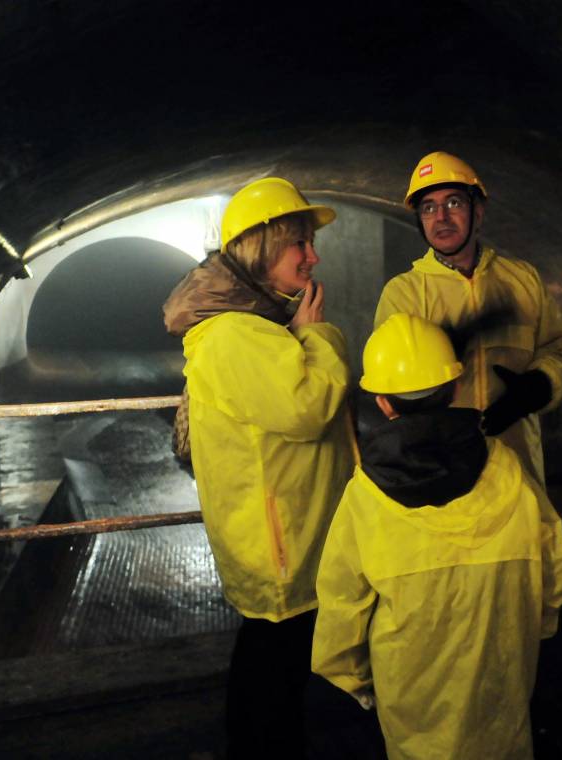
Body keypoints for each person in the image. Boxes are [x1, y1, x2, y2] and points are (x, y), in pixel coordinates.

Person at [312, 312, 562, 760]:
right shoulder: (509, 470)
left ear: (382, 403)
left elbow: (342, 609)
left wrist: (353, 679)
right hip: (503, 687)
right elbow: (557, 578)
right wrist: (536, 632)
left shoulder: (366, 495)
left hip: (411, 701)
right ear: (455, 388)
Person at [162, 177, 355, 757]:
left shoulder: (253, 324)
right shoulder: (235, 335)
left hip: (283, 532)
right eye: (300, 242)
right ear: (262, 246)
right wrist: (318, 337)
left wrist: (295, 334)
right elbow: (308, 405)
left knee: (273, 670)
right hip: (279, 541)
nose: (312, 255)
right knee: (270, 674)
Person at [374, 151, 562, 485]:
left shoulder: (523, 280)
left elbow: (561, 349)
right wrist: (441, 350)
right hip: (443, 474)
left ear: (478, 212)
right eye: (428, 208)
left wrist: (539, 386)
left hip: (518, 469)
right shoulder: (403, 294)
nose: (441, 217)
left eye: (453, 203)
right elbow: (391, 389)